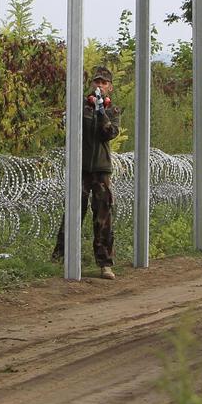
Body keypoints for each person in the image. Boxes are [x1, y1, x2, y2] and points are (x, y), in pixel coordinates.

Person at [52, 65, 121, 279]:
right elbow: (67, 127)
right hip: (80, 168)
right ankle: (59, 258)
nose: (99, 85)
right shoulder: (80, 106)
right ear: (91, 84)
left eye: (104, 83)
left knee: (103, 216)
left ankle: (105, 263)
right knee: (73, 212)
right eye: (96, 82)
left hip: (101, 169)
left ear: (109, 87)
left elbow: (110, 133)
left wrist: (101, 112)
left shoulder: (112, 111)